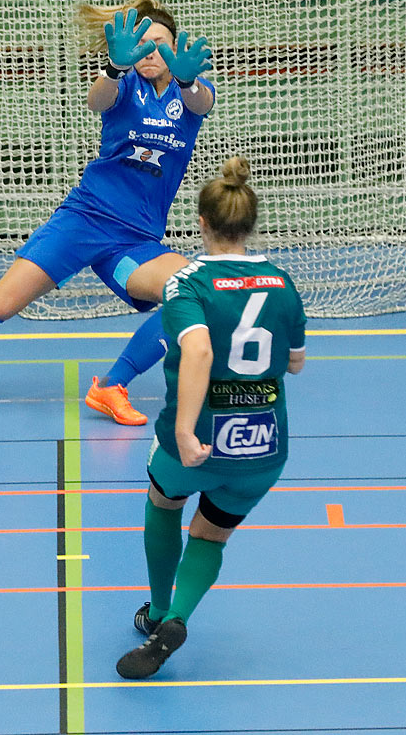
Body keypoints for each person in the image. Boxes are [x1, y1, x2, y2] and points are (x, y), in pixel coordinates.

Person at [0, 0, 215, 429]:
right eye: (142, 45)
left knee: (188, 294)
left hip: (136, 240)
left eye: (160, 45)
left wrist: (190, 82)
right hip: (85, 220)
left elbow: (202, 103)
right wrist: (114, 68)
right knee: (0, 306)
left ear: (177, 51)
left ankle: (111, 386)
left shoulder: (188, 94)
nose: (151, 53)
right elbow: (97, 101)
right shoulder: (123, 84)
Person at [115, 156, 307, 679]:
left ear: (201, 224)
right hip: (263, 446)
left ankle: (157, 613)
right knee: (212, 534)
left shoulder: (187, 284)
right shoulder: (282, 282)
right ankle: (179, 616)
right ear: (249, 225)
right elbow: (295, 360)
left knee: (164, 501)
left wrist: (183, 430)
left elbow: (197, 349)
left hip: (196, 438)